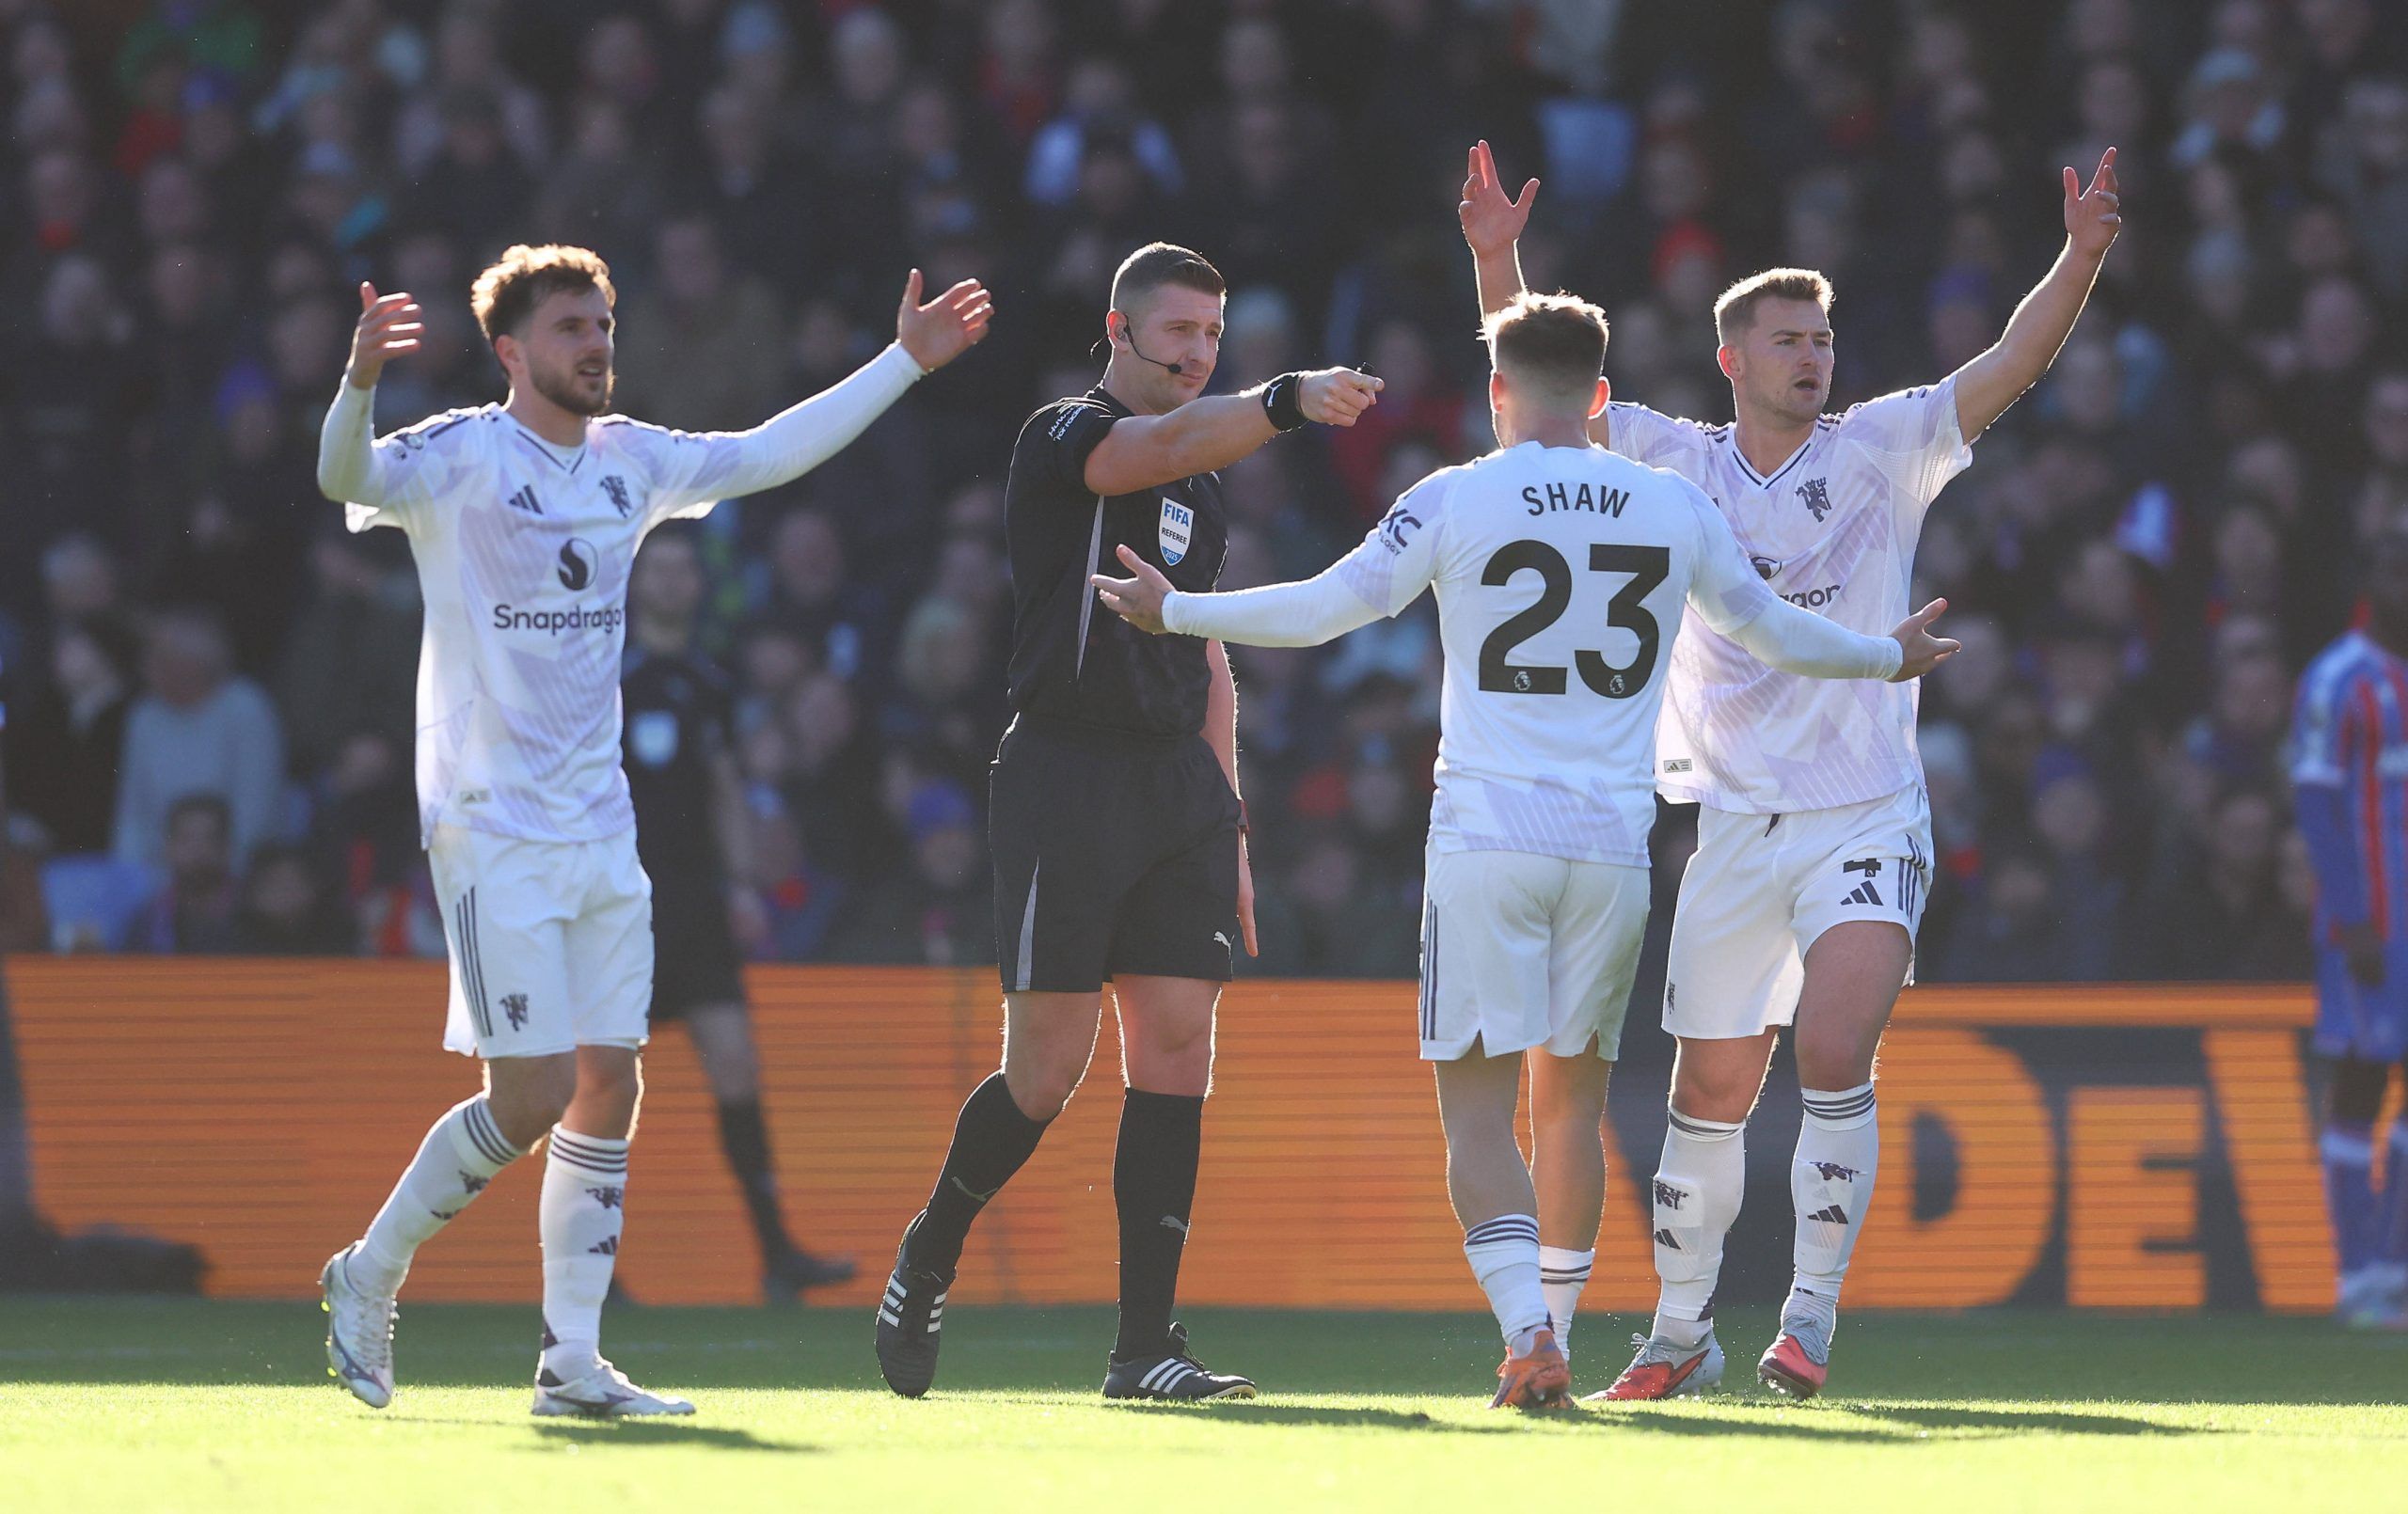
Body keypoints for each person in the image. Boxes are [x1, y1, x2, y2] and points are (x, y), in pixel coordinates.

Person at [1092, 292, 1953, 1407]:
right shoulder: (1671, 503)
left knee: (1476, 1112)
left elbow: (1321, 608)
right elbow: (1771, 630)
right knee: (1570, 1110)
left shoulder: (1454, 495)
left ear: (1498, 393)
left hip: (1489, 836)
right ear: (1599, 399)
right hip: (1611, 846)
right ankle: (1568, 1323)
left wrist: (1180, 614)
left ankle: (1527, 1335)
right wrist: (1885, 657)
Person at [1459, 138, 2121, 1399]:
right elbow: (1537, 384)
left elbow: (2015, 362)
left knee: (1832, 1043)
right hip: (1732, 822)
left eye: (1821, 337)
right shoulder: (1673, 458)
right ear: (1733, 359)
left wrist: (2081, 252)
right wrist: (1497, 254)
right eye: (1787, 338)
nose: (1813, 356)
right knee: (1708, 1086)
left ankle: (1808, 1317)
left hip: (1865, 808)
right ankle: (1682, 1333)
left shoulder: (1879, 448)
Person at [314, 243, 990, 1418]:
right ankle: (366, 1271)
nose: (598, 346)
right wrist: (358, 379)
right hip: (492, 827)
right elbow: (340, 477)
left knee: (611, 1083)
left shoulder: (632, 464)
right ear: (514, 349)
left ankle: (570, 1359)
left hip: (601, 832)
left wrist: (903, 362)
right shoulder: (458, 456)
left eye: (606, 326)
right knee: (525, 1096)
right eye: (574, 327)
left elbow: (769, 452)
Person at [874, 242, 1381, 1403]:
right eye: (1179, 332)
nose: (1199, 352)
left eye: (1213, 335)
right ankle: (931, 1245)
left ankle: (1144, 1346)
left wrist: (1232, 821)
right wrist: (1286, 402)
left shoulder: (1202, 477)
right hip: (1065, 773)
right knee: (1045, 1073)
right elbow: (1147, 450)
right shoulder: (1064, 435)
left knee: (1178, 1051)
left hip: (1176, 792)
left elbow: (1206, 651)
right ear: (1118, 328)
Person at [621, 528, 857, 1301]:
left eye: (684, 569)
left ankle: (778, 1255)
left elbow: (723, 788)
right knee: (602, 1087)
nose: (672, 581)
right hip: (615, 905)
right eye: (658, 567)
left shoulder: (707, 680)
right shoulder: (600, 675)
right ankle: (590, 1269)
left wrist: (744, 885)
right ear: (635, 580)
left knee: (736, 1068)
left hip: (693, 904)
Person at [2290, 521, 2408, 1329]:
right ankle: (2356, 1272)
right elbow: (2315, 802)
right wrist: (2353, 917)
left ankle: (2394, 1267)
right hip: (2369, 927)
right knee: (2360, 1086)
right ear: (2375, 577)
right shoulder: (2340, 678)